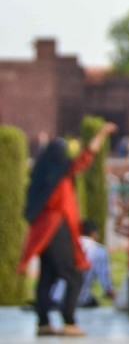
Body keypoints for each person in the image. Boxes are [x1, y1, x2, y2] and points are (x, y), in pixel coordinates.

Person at [20, 121, 117, 337]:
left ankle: (43, 322)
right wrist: (102, 133)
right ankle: (69, 321)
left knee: (48, 276)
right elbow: (86, 157)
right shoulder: (61, 173)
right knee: (74, 276)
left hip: (43, 230)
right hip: (57, 228)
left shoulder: (40, 176)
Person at [50, 219, 115, 309]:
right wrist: (113, 295)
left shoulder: (67, 246)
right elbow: (104, 278)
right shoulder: (99, 251)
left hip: (54, 297)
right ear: (94, 234)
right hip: (77, 299)